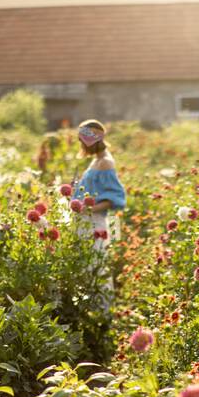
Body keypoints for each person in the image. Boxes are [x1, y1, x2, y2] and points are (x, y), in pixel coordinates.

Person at [70, 119, 126, 310]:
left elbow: (114, 198)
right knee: (87, 265)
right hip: (85, 222)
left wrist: (88, 209)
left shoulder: (106, 163)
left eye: (81, 141)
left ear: (91, 141)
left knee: (96, 265)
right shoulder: (97, 161)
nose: (80, 145)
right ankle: (91, 310)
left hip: (94, 223)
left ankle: (102, 312)